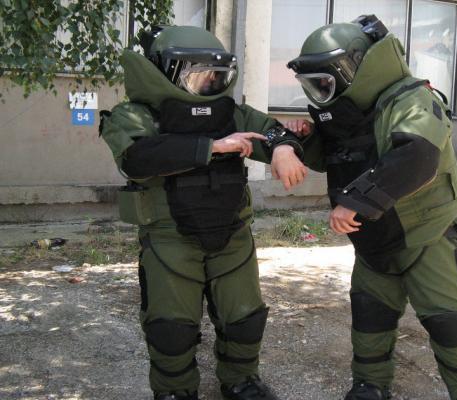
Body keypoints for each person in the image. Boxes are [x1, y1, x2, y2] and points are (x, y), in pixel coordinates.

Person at [283, 15, 457, 400]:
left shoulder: (412, 98)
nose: (321, 93)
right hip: (374, 238)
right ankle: (369, 384)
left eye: (324, 82)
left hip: (426, 233)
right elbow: (336, 157)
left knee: (450, 319)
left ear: (353, 68)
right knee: (370, 315)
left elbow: (417, 157)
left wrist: (353, 203)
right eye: (313, 85)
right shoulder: (349, 112)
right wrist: (305, 139)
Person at [99, 25, 306, 400]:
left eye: (215, 75)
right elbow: (137, 158)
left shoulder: (231, 113)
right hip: (170, 236)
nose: (209, 83)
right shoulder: (137, 115)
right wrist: (213, 147)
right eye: (198, 74)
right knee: (171, 326)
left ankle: (241, 380)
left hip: (232, 233)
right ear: (166, 72)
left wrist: (283, 148)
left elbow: (272, 131)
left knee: (244, 317)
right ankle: (174, 390)